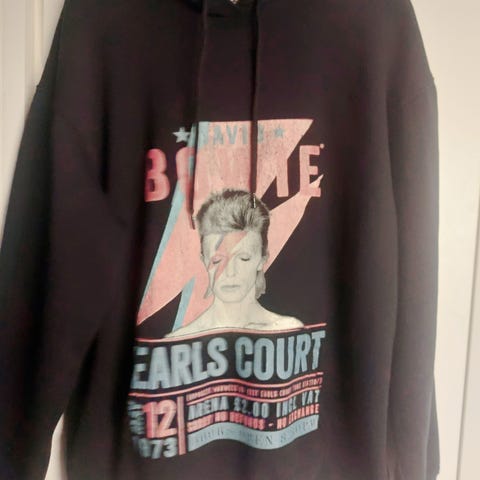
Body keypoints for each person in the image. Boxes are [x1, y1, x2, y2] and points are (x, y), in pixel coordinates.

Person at [165, 188, 303, 337]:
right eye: (217, 260)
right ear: (204, 260)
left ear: (263, 258)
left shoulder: (288, 330)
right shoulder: (179, 340)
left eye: (243, 258)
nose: (230, 272)